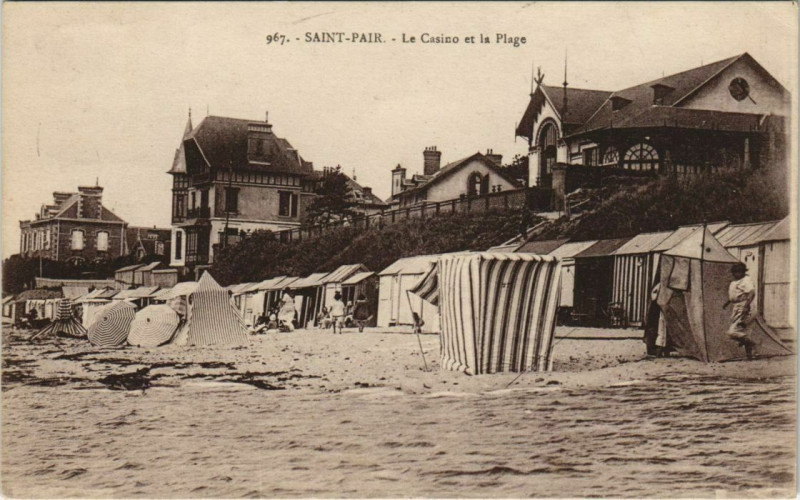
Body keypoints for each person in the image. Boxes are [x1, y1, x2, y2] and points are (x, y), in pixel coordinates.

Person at [722, 262, 757, 359]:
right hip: (736, 306)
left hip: (744, 306)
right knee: (744, 331)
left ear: (743, 272)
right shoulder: (734, 282)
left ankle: (751, 343)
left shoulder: (746, 280)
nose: (736, 274)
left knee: (732, 332)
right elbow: (735, 294)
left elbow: (751, 293)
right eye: (735, 272)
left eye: (739, 272)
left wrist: (746, 306)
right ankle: (749, 355)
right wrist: (728, 302)